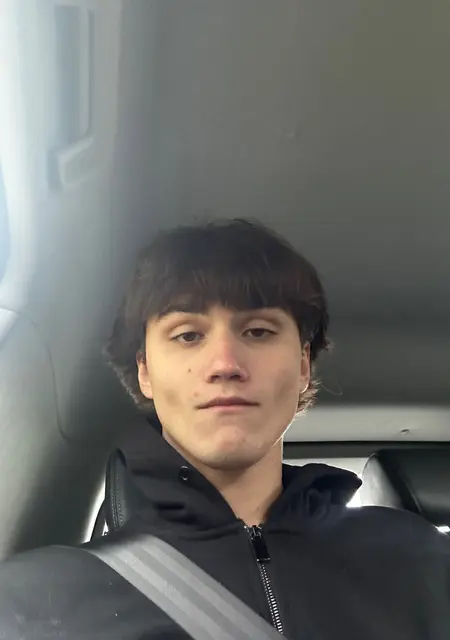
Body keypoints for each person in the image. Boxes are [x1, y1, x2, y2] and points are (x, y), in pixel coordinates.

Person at [0, 218, 448, 639]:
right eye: (188, 335)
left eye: (258, 331)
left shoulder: (420, 563)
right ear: (145, 371)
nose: (225, 364)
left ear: (303, 365)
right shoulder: (35, 599)